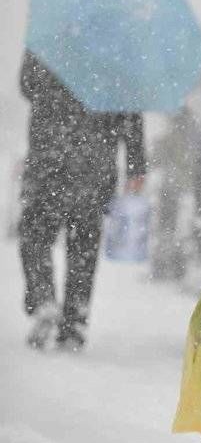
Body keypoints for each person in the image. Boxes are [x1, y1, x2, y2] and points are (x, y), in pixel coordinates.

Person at [18, 50, 147, 352]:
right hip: (95, 167)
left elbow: (27, 86)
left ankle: (43, 300)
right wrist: (136, 164)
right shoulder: (115, 52)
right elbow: (131, 113)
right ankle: (73, 324)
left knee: (35, 236)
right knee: (83, 248)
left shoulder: (49, 38)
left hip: (48, 161)